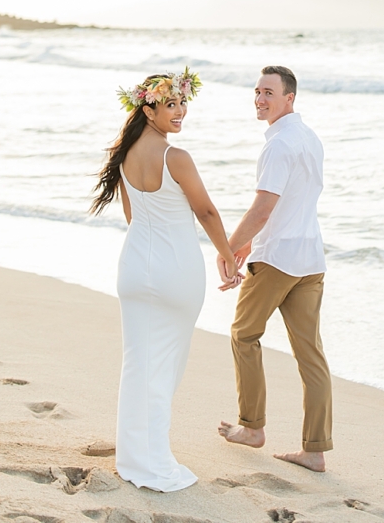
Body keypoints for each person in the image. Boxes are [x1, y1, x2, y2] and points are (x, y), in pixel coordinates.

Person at [90, 69, 242, 492]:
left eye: (181, 102)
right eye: (170, 104)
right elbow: (206, 212)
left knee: (139, 362)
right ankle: (153, 462)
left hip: (135, 266)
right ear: (147, 108)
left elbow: (133, 218)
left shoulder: (124, 155)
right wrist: (228, 256)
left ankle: (134, 457)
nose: (180, 111)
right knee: (165, 367)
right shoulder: (176, 157)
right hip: (176, 271)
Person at [217, 65, 333, 472]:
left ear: (290, 98)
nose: (260, 99)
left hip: (277, 261)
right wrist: (246, 244)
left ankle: (252, 427)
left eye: (269, 92)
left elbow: (264, 208)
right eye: (257, 91)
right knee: (311, 355)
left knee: (243, 334)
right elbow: (290, 205)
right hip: (310, 259)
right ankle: (314, 451)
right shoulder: (310, 139)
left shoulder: (278, 145)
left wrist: (226, 249)